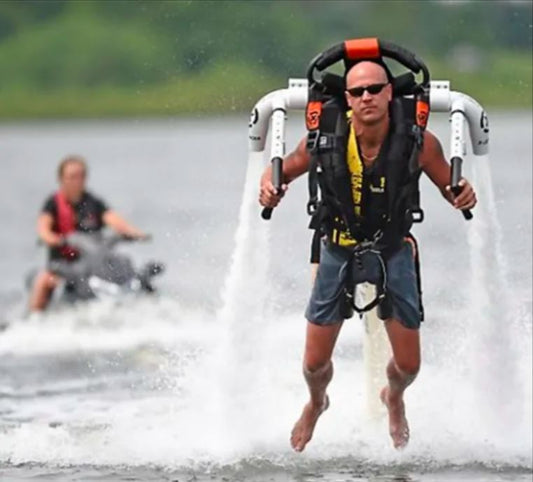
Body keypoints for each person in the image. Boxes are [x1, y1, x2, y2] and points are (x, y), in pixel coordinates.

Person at [259, 61, 477, 451]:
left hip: (392, 249)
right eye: (358, 92)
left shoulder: (419, 142)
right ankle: (317, 403)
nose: (367, 98)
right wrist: (268, 187)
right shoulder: (324, 139)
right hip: (337, 248)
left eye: (375, 89)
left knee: (409, 366)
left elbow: (451, 186)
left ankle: (393, 397)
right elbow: (280, 171)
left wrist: (463, 193)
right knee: (313, 364)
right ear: (347, 98)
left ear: (389, 92)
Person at [29, 155, 148, 312]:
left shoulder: (93, 202)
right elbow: (43, 227)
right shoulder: (52, 204)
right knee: (44, 280)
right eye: (72, 177)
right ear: (61, 179)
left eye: (81, 176)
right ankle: (33, 318)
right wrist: (53, 239)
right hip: (63, 265)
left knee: (128, 270)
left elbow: (114, 219)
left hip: (92, 264)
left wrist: (135, 233)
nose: (77, 181)